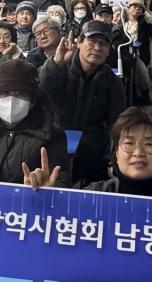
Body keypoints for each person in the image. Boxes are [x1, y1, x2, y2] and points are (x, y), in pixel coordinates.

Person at [38, 21, 127, 185]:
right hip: (54, 139)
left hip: (93, 146)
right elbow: (39, 93)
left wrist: (112, 155)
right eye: (92, 41)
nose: (97, 48)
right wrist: (55, 63)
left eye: (104, 44)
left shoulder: (112, 82)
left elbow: (117, 122)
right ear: (79, 42)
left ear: (108, 51)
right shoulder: (58, 68)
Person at [31, 106, 152, 199]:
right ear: (116, 153)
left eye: (149, 144)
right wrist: (45, 199)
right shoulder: (92, 195)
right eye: (129, 143)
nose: (138, 152)